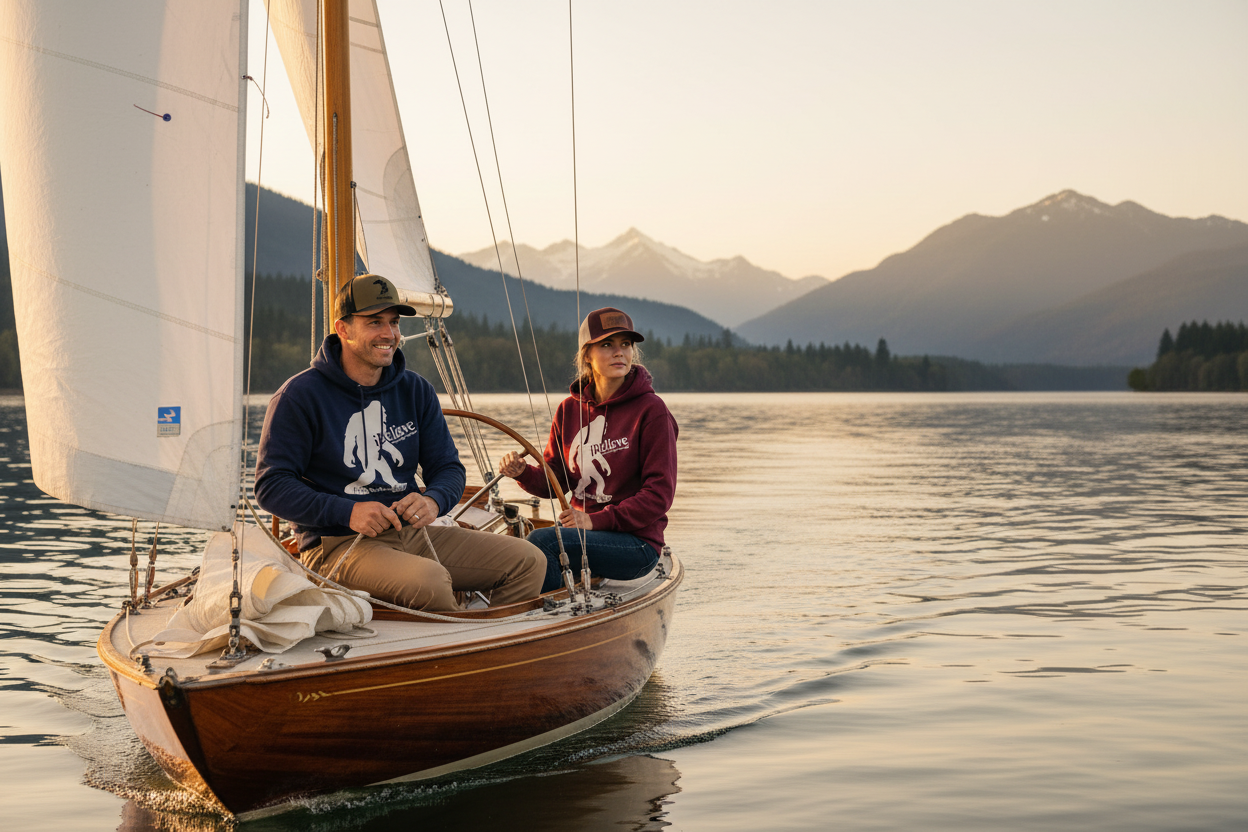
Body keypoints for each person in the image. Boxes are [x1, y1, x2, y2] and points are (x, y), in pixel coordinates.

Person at [254, 274, 545, 610]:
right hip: (336, 544)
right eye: (374, 322)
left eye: (393, 322)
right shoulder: (300, 396)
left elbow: (448, 468)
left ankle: (492, 649)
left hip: (412, 534)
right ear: (343, 329)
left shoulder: (415, 390)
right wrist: (347, 511)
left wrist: (434, 501)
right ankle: (452, 652)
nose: (389, 334)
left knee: (529, 560)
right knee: (431, 582)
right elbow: (270, 486)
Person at [498, 307, 678, 593]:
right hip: (583, 535)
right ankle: (533, 617)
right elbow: (554, 481)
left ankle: (534, 622)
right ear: (587, 355)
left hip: (637, 545)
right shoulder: (568, 410)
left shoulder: (652, 411)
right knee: (512, 549)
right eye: (607, 344)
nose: (619, 352)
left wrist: (593, 520)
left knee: (543, 542)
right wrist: (523, 473)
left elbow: (659, 496)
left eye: (626, 344)